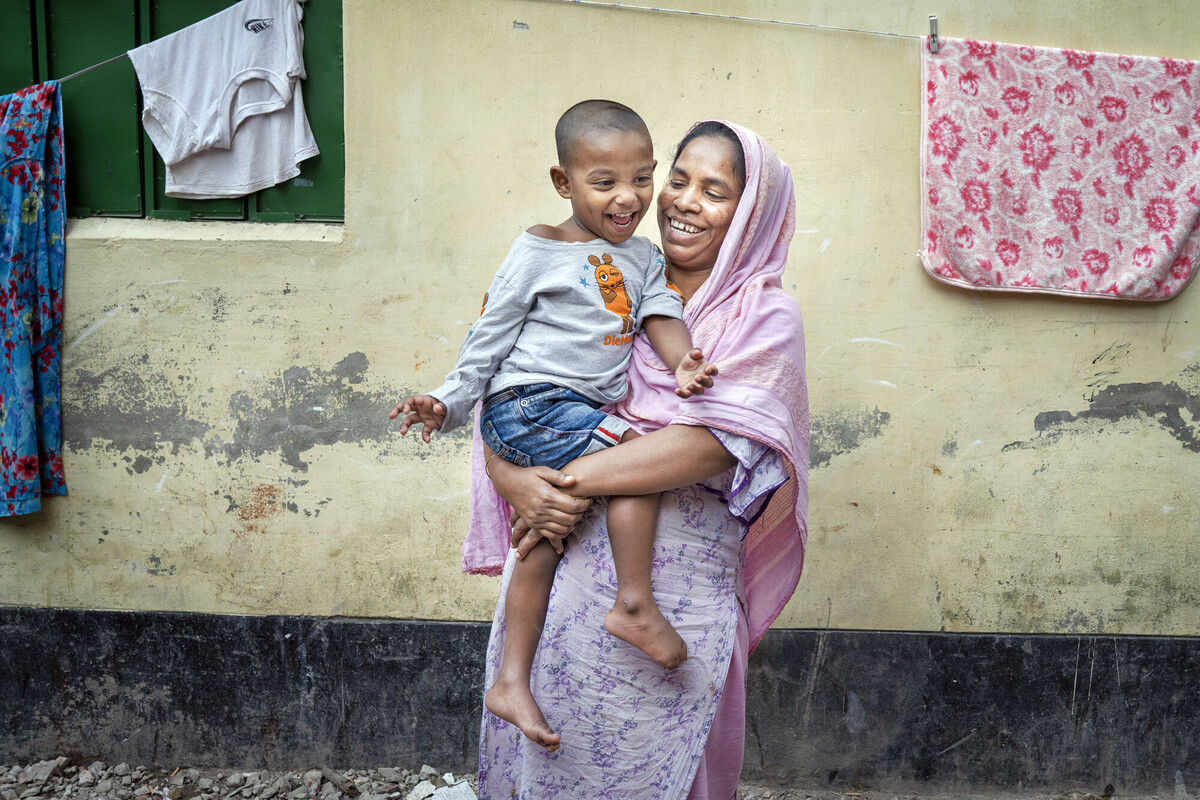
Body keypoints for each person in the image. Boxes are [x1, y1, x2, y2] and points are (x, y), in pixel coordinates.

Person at [469, 119, 809, 799]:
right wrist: (514, 478)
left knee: (654, 761)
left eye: (715, 191)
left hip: (676, 596)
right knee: (549, 763)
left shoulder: (764, 319)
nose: (684, 201)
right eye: (678, 179)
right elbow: (516, 395)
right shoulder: (604, 275)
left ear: (752, 213)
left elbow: (708, 445)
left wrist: (563, 483)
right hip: (559, 578)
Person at [390, 100, 718, 751]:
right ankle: (633, 603)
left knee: (544, 533)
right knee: (635, 460)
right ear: (563, 183)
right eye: (604, 182)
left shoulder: (646, 257)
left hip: (571, 414)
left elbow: (660, 316)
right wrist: (448, 402)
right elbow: (489, 337)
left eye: (642, 177)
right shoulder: (540, 247)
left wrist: (684, 365)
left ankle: (511, 681)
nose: (628, 197)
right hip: (531, 404)